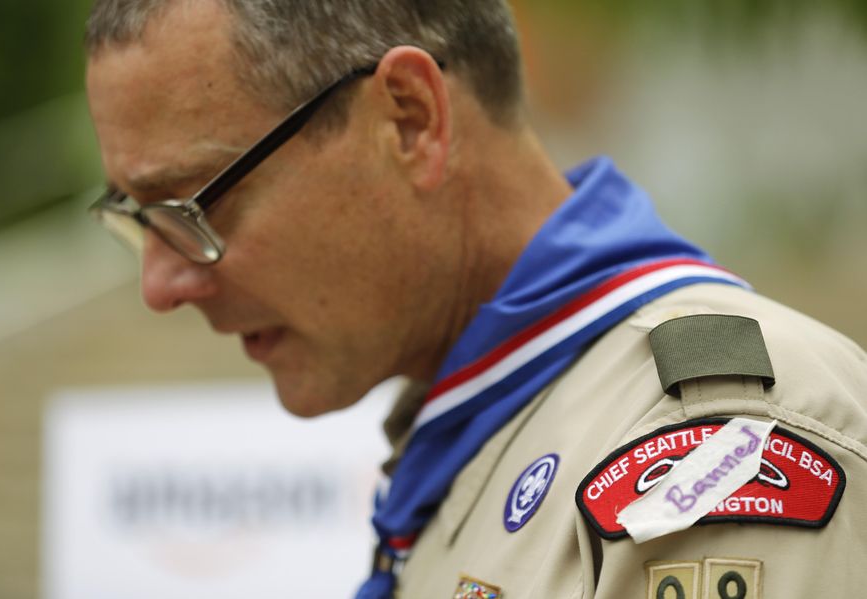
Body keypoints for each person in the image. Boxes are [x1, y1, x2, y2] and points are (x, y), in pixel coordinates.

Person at [84, 1, 867, 597]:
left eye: (193, 206)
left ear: (411, 120)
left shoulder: (717, 437)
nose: (162, 283)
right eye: (137, 218)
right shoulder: (482, 426)